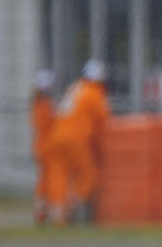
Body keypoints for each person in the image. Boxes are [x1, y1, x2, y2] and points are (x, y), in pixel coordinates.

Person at [52, 60, 110, 223]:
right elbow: (102, 122)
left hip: (57, 136)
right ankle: (77, 210)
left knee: (60, 176)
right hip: (76, 139)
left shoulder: (74, 88)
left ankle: (57, 216)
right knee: (87, 174)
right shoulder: (94, 93)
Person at [29, 70, 66, 224]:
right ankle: (57, 215)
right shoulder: (46, 106)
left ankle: (41, 212)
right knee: (55, 179)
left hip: (40, 147)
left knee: (43, 182)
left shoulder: (37, 104)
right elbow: (55, 123)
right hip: (50, 148)